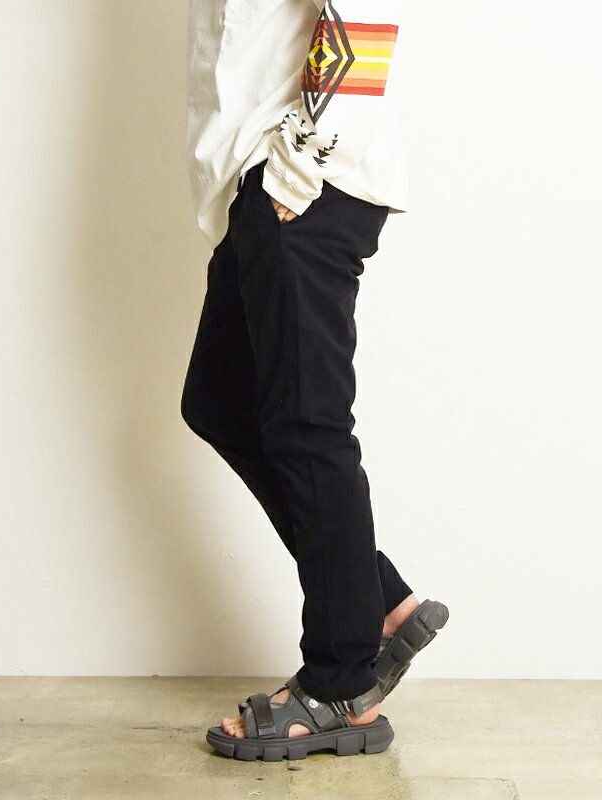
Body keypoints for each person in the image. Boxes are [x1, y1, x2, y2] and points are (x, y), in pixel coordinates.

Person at [181, 0, 449, 760]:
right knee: (219, 404)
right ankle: (380, 603)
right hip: (262, 185)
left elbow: (361, 14)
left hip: (303, 184)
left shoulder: (297, 179)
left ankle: (341, 685)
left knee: (308, 428)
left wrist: (295, 171)